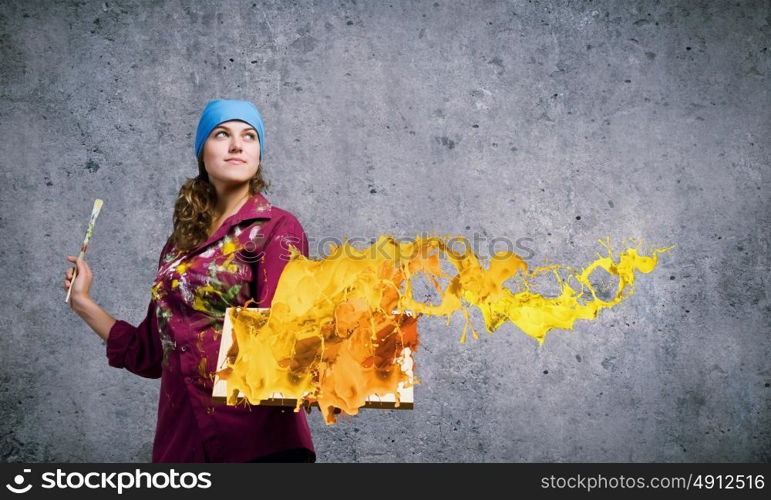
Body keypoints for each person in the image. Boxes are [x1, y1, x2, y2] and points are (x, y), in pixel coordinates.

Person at [63, 99, 316, 463]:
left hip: (257, 443)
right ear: (202, 152)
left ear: (259, 152)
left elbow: (282, 336)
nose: (236, 145)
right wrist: (83, 302)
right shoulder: (178, 247)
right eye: (221, 134)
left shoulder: (277, 228)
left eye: (249, 136)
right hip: (182, 446)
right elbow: (151, 355)